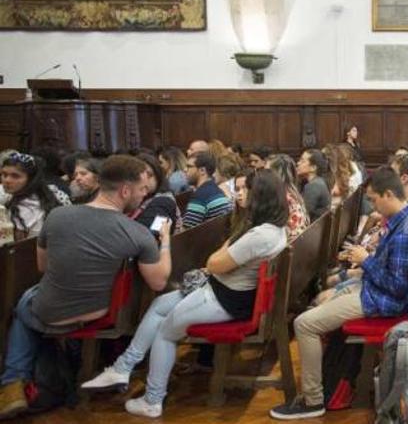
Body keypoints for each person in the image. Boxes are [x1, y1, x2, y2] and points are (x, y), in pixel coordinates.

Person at [81, 170, 289, 418]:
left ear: (261, 197)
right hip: (223, 290)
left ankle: (152, 400)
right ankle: (123, 366)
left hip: (225, 299)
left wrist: (226, 247)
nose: (239, 194)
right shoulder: (270, 228)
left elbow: (213, 263)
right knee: (159, 305)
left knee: (166, 331)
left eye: (246, 190)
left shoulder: (259, 234)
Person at [0, 156, 168, 420]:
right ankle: (28, 383)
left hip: (50, 311)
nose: (143, 196)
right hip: (98, 312)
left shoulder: (57, 216)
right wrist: (166, 243)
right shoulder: (137, 232)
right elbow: (158, 282)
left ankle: (13, 382)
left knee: (24, 304)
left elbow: (43, 266)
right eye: (141, 190)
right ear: (125, 190)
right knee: (29, 304)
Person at [269, 167, 408, 420]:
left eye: (373, 199)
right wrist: (358, 269)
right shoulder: (406, 220)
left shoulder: (407, 234)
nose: (373, 206)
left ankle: (313, 401)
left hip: (384, 301)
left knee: (303, 324)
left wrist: (366, 260)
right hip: (376, 291)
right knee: (318, 303)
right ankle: (331, 382)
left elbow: (396, 287)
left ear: (388, 194)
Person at [0, 152, 70, 240]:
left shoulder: (31, 207)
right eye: (4, 174)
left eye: (15, 176)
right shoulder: (15, 195)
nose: (7, 180)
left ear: (31, 180)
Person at [129, 153, 183, 235]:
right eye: (138, 175)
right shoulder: (141, 198)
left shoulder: (163, 202)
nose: (144, 180)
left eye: (149, 175)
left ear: (158, 177)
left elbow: (151, 234)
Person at [181, 152, 233, 229]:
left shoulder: (200, 197)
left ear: (202, 170)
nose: (185, 170)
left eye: (189, 166)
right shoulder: (217, 190)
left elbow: (186, 232)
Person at [267, 154, 310, 244]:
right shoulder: (291, 191)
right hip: (299, 245)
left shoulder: (281, 197)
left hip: (287, 248)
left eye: (267, 172)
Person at [296, 149, 332, 221]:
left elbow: (302, 214)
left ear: (313, 168)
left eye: (302, 161)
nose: (298, 163)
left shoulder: (314, 186)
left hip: (313, 229)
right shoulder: (319, 181)